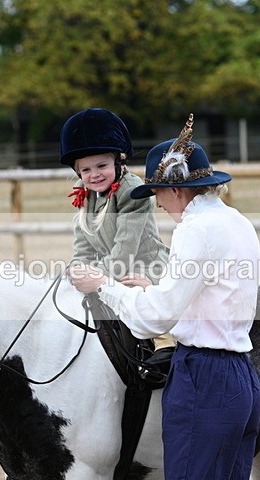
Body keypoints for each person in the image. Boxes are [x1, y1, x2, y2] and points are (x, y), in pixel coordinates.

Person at [71, 114, 260, 480]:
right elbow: (211, 295)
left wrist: (105, 285)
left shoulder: (195, 230)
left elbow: (152, 320)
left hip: (204, 378)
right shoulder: (237, 221)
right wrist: (151, 287)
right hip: (243, 380)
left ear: (177, 189)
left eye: (159, 193)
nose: (157, 203)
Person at [60, 108, 175, 358]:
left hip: (142, 267)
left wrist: (94, 277)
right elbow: (83, 247)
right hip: (108, 269)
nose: (94, 175)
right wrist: (77, 270)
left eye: (102, 165)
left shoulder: (132, 191)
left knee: (135, 291)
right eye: (86, 170)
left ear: (118, 162)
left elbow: (125, 250)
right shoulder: (84, 192)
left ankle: (166, 345)